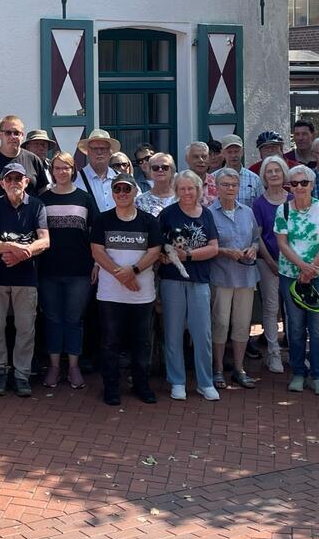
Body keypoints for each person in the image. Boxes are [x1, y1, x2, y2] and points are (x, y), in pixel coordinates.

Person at [90, 174, 162, 406]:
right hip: (110, 294)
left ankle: (141, 385)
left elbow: (154, 251)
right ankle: (111, 387)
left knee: (142, 343)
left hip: (142, 294)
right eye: (117, 189)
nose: (122, 193)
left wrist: (133, 270)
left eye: (126, 189)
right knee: (110, 342)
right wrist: (120, 275)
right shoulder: (102, 220)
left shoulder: (148, 221)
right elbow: (97, 251)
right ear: (112, 193)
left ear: (134, 192)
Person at [0, 163, 49, 397]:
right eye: (9, 179)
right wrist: (14, 247)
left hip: (26, 277)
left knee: (25, 329)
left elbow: (45, 240)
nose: (14, 183)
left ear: (26, 181)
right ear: (2, 183)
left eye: (18, 178)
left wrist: (23, 253)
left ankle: (22, 375)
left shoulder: (37, 206)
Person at [157, 170, 221, 401]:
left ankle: (205, 382)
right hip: (172, 280)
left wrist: (188, 256)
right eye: (182, 188)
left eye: (191, 188)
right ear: (176, 190)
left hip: (199, 279)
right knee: (173, 332)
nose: (187, 192)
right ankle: (177, 381)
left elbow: (214, 248)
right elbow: (157, 246)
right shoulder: (167, 214)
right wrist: (165, 256)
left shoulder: (207, 214)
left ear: (198, 190)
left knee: (202, 333)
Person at [38, 150, 98, 390]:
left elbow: (96, 234)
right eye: (57, 168)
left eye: (66, 168)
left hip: (80, 271)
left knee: (74, 320)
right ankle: (54, 367)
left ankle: (73, 366)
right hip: (48, 270)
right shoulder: (43, 200)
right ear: (52, 171)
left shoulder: (84, 199)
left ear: (73, 171)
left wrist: (96, 263)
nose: (61, 172)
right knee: (52, 319)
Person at [274, 164, 319, 395]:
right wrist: (302, 267)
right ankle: (299, 373)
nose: (299, 187)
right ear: (289, 186)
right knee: (296, 326)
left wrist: (312, 269)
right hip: (291, 275)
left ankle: (318, 375)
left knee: (318, 328)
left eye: (304, 182)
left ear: (312, 185)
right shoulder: (283, 210)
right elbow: (282, 244)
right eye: (295, 183)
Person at [207, 168, 261, 389]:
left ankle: (239, 369)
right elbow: (205, 245)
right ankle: (218, 369)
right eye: (225, 184)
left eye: (234, 185)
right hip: (220, 276)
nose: (230, 188)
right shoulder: (209, 213)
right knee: (220, 323)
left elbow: (256, 239)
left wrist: (253, 248)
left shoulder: (247, 212)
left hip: (246, 276)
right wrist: (224, 251)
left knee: (242, 324)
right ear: (217, 187)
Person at [250, 156, 289, 373]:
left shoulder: (293, 199)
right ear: (264, 176)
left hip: (293, 264)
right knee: (271, 308)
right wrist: (271, 262)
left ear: (284, 173)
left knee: (293, 309)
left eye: (277, 170)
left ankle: (295, 353)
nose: (274, 174)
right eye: (269, 171)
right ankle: (273, 353)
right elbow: (258, 237)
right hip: (268, 263)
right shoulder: (259, 204)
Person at [0, 115, 48, 203]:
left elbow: (44, 195)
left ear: (22, 136)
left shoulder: (33, 160)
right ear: (0, 135)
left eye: (16, 133)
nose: (13, 136)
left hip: (30, 212)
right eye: (8, 133)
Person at [74, 129, 121, 213]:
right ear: (88, 152)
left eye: (103, 148)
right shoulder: (76, 180)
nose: (99, 152)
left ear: (110, 152)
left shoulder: (121, 178)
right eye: (94, 149)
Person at [218, 135, 263, 206]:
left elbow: (260, 206)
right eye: (229, 152)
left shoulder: (254, 179)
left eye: (236, 151)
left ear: (242, 152)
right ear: (223, 153)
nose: (233, 155)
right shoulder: (214, 178)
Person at [184, 141, 219, 205]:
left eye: (204, 156)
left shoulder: (217, 182)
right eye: (196, 157)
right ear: (187, 159)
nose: (201, 160)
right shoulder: (179, 183)